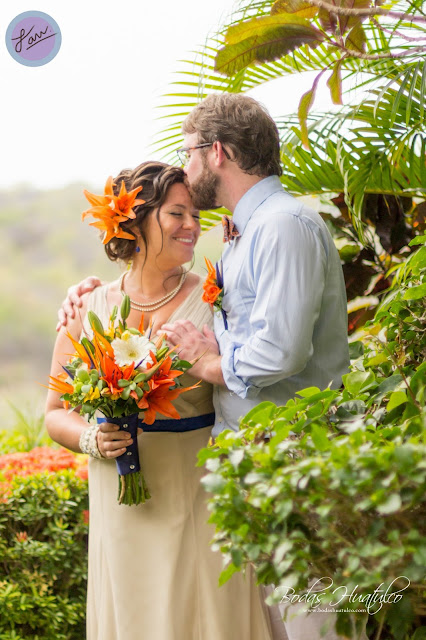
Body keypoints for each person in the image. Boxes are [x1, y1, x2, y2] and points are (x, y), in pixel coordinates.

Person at [58, 96, 367, 640]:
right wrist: (85, 295)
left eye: (189, 152)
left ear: (216, 152)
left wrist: (209, 362)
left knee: (310, 627)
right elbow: (56, 404)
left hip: (287, 462)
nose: (190, 224)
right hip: (243, 473)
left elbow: (279, 352)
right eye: (176, 214)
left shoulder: (279, 228)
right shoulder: (242, 241)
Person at [46, 161, 276, 640]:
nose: (193, 226)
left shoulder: (217, 299)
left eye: (195, 214)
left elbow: (258, 374)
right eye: (177, 214)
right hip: (122, 504)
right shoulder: (86, 307)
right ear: (137, 220)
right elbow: (55, 414)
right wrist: (92, 437)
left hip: (202, 490)